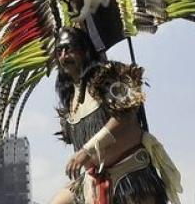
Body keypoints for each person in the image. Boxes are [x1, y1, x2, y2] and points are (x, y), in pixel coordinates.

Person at [48, 28, 178, 204]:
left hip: (130, 178)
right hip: (93, 182)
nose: (64, 56)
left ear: (85, 51)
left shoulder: (105, 77)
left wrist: (88, 149)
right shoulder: (71, 98)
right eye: (59, 51)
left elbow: (126, 116)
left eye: (69, 49)